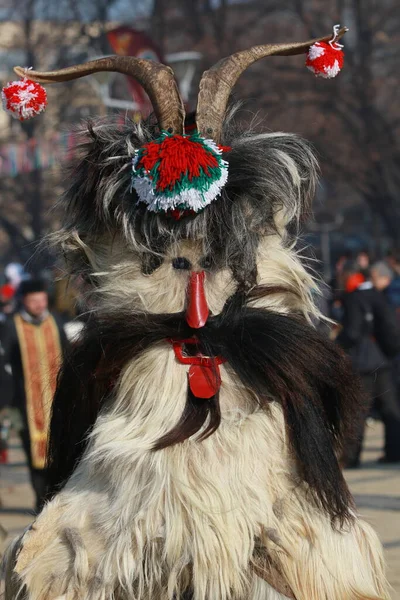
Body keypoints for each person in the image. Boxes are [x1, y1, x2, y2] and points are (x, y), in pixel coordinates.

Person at [3, 28, 389, 600]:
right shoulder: (121, 281)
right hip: (145, 377)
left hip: (245, 370)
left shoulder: (256, 262)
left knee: (292, 508)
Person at [2, 279, 68, 511]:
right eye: (33, 301)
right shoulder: (12, 327)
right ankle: (41, 502)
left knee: (60, 453)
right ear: (24, 301)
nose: (39, 305)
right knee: (35, 458)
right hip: (26, 405)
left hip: (57, 402)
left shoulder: (55, 322)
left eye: (42, 299)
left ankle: (55, 501)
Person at [337, 261, 400, 467]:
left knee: (358, 410)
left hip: (362, 362)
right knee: (390, 409)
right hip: (381, 359)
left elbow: (353, 332)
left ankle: (352, 457)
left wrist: (338, 345)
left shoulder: (354, 298)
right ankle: (394, 451)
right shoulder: (378, 296)